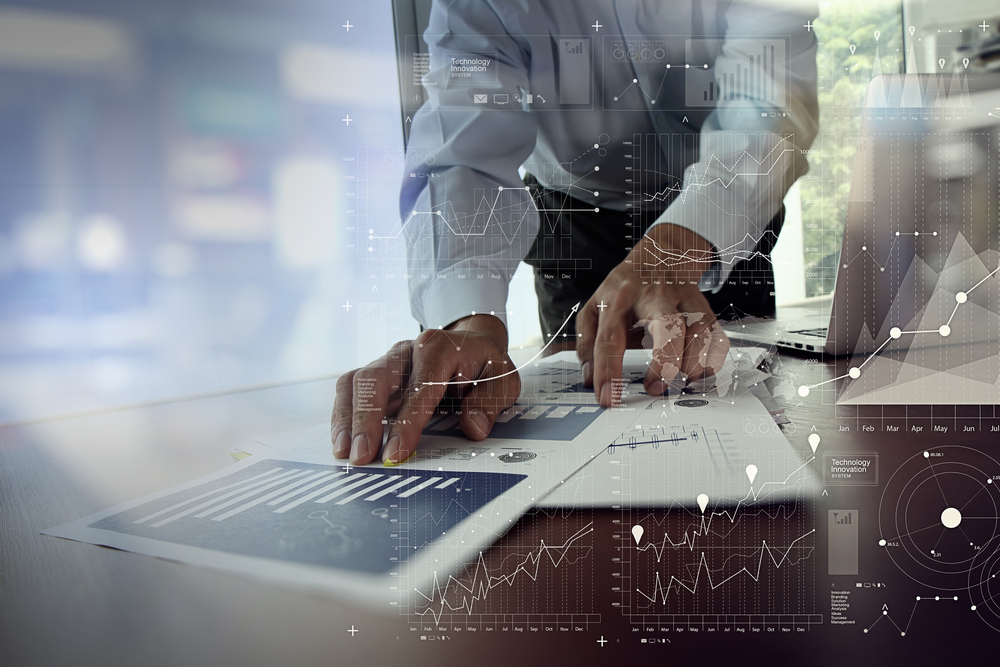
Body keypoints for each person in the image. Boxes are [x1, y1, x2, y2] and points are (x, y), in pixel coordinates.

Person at [333, 0, 819, 466]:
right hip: (575, 223)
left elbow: (768, 98)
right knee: (588, 432)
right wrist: (468, 323)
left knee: (737, 410)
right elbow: (464, 148)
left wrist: (674, 246)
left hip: (722, 223)